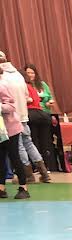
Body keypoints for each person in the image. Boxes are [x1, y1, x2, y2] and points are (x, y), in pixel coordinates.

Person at [0, 51, 50, 183]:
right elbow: (27, 95)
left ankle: (27, 175)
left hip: (9, 117)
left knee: (19, 146)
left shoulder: (3, 77)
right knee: (28, 142)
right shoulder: (18, 75)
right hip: (23, 114)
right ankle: (44, 172)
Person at [0, 66, 30, 199]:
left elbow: (11, 106)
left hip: (10, 128)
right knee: (0, 158)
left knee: (14, 156)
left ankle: (23, 187)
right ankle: (1, 188)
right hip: (1, 129)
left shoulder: (3, 85)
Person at [23, 64, 56, 172]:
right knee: (33, 140)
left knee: (45, 140)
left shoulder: (42, 84)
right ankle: (37, 166)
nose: (30, 75)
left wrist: (49, 102)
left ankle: (46, 165)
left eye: (32, 73)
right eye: (28, 73)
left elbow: (49, 97)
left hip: (44, 114)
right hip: (32, 114)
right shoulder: (24, 85)